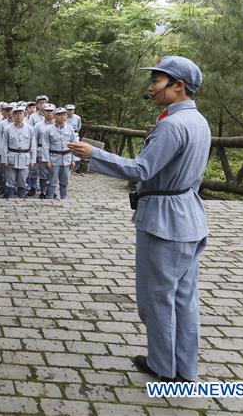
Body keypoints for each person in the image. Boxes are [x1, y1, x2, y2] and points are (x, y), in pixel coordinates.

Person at [68, 56, 210, 383]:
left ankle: (162, 367)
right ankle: (184, 368)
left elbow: (142, 169)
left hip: (164, 220)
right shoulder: (198, 121)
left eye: (157, 80)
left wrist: (95, 155)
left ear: (179, 86)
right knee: (184, 298)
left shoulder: (172, 125)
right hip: (188, 215)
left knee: (156, 298)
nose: (151, 87)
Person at [41, 107, 78, 199]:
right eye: (59, 115)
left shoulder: (70, 129)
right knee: (52, 182)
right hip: (54, 159)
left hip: (67, 158)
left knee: (64, 181)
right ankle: (49, 198)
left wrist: (73, 160)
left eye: (64, 114)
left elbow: (74, 145)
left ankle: (64, 198)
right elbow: (45, 147)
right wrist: (47, 160)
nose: (62, 116)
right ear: (54, 116)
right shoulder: (49, 130)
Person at [2, 105, 34, 199]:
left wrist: (32, 160)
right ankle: (10, 197)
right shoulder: (8, 129)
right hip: (11, 156)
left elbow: (33, 146)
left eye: (21, 113)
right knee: (10, 180)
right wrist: (4, 159)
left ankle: (21, 198)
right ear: (13, 115)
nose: (19, 115)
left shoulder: (30, 129)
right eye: (16, 113)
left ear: (24, 114)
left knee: (22, 180)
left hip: (25, 157)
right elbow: (4, 146)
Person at [65, 104, 83, 174]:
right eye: (68, 110)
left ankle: (77, 167)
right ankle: (67, 164)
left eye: (71, 110)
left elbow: (79, 127)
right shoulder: (63, 117)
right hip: (66, 134)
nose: (70, 111)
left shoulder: (77, 117)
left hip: (75, 134)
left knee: (77, 149)